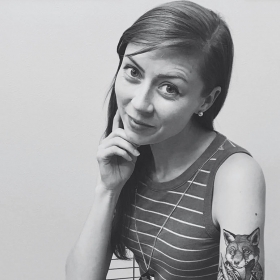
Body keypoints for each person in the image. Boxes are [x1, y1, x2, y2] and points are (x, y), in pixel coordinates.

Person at [65, 1, 266, 280]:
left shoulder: (234, 176)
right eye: (133, 72)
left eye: (169, 88)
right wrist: (108, 190)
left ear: (206, 99)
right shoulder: (135, 157)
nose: (139, 104)